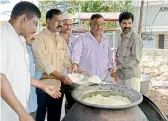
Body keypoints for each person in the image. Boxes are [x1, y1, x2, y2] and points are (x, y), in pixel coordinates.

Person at [0, 1, 61, 121]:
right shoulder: (2, 35)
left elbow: (21, 74)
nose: (35, 29)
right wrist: (22, 113)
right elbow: (1, 79)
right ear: (24, 18)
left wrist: (43, 86)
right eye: (34, 23)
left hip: (17, 110)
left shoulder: (20, 40)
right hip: (5, 112)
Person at [32, 9, 73, 121]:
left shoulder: (60, 40)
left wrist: (75, 68)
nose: (60, 24)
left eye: (61, 21)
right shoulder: (39, 39)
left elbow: (65, 61)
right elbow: (45, 64)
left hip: (57, 87)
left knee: (54, 118)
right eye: (57, 21)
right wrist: (61, 77)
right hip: (41, 87)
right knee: (39, 117)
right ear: (48, 20)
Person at [70, 14, 115, 83]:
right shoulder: (82, 38)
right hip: (86, 78)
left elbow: (109, 55)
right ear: (90, 24)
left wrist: (111, 67)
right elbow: (76, 52)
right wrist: (75, 63)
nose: (99, 27)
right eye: (96, 24)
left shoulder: (106, 39)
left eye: (101, 24)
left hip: (103, 77)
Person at [26, 33, 57, 119]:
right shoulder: (18, 51)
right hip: (21, 105)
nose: (34, 36)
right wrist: (43, 85)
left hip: (32, 102)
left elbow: (34, 76)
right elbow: (23, 76)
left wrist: (53, 77)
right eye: (31, 33)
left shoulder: (30, 49)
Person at [112, 12, 143, 92]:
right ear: (120, 24)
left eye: (129, 23)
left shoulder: (135, 38)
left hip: (131, 76)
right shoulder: (121, 35)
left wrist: (118, 67)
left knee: (132, 101)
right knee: (122, 100)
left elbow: (136, 60)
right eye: (124, 23)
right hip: (120, 75)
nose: (127, 26)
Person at [59, 12, 76, 113]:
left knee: (71, 106)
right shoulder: (54, 38)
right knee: (55, 106)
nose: (68, 27)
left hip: (72, 78)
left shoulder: (75, 38)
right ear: (60, 23)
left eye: (70, 24)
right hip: (57, 77)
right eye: (65, 24)